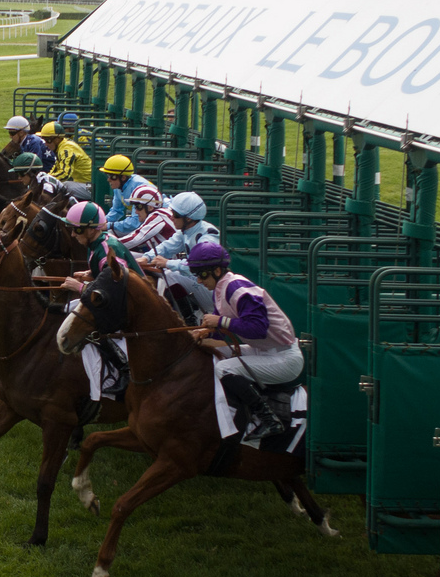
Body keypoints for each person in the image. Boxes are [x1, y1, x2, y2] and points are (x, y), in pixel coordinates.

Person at [183, 241, 303, 438]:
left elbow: (258, 328)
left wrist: (220, 321)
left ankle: (269, 419)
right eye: (197, 275)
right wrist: (205, 332)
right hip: (265, 350)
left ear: (218, 270)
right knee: (213, 351)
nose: (199, 280)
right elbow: (222, 329)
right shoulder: (221, 288)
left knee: (224, 368)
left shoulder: (236, 288)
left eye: (202, 274)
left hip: (285, 359)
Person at [136, 192, 221, 271]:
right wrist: (146, 257)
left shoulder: (208, 237)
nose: (172, 217)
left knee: (169, 276)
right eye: (171, 212)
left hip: (206, 283)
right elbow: (166, 247)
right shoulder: (185, 231)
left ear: (188, 218)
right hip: (195, 278)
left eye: (176, 215)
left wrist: (167, 263)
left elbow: (199, 264)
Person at [100, 155, 154, 235]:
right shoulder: (118, 187)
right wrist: (101, 222)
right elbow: (116, 210)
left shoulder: (139, 187)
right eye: (107, 175)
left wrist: (109, 225)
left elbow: (136, 222)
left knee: (109, 234)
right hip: (145, 223)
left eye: (112, 176)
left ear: (123, 177)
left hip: (157, 223)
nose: (108, 179)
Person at [119, 182, 179, 255]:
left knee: (120, 255)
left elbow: (135, 239)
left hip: (168, 262)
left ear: (150, 207)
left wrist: (109, 244)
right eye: (135, 207)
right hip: (164, 259)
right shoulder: (161, 213)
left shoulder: (158, 216)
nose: (136, 211)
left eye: (139, 207)